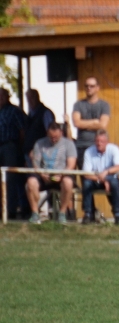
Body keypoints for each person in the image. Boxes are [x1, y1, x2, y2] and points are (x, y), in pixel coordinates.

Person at [26, 121, 76, 224]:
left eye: (56, 137)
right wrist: (41, 173)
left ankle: (62, 213)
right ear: (47, 134)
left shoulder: (69, 144)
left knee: (68, 182)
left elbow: (71, 164)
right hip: (44, 175)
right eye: (51, 137)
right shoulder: (39, 143)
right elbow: (36, 162)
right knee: (30, 182)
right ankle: (35, 213)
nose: (53, 139)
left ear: (61, 133)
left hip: (60, 176)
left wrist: (61, 175)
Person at [81, 129, 119, 224]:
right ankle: (88, 214)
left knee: (114, 182)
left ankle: (117, 214)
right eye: (97, 141)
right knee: (86, 184)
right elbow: (86, 174)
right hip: (95, 179)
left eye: (102, 141)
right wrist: (104, 180)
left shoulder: (114, 149)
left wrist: (106, 172)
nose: (99, 144)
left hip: (110, 177)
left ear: (107, 142)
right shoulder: (89, 152)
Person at [70, 76, 110, 168]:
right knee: (85, 178)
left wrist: (83, 124)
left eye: (92, 86)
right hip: (81, 146)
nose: (89, 88)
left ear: (97, 88)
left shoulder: (104, 105)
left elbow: (103, 125)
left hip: (98, 146)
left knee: (99, 177)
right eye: (86, 86)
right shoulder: (78, 105)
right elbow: (76, 123)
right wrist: (95, 122)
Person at [0, 87, 27, 218]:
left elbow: (22, 131)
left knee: (10, 178)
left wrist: (18, 147)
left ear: (7, 97)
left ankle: (10, 210)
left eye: (2, 96)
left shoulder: (14, 110)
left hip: (9, 146)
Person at [24, 89, 54, 162]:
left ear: (37, 97)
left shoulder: (45, 113)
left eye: (32, 97)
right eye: (28, 98)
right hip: (29, 152)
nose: (30, 101)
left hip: (42, 151)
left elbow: (51, 132)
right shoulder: (29, 115)